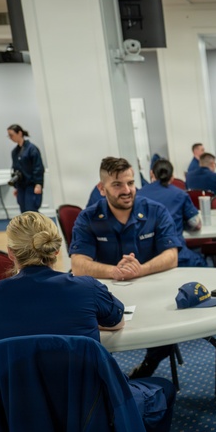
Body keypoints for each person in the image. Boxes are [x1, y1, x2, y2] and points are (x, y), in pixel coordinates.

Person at [0, 212, 190, 432]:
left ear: (10, 253)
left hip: (19, 412)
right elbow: (117, 319)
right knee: (161, 389)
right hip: (88, 409)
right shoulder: (85, 289)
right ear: (56, 249)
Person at [69, 157, 180, 380]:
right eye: (117, 185)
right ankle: (103, 375)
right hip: (108, 292)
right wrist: (113, 271)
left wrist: (141, 269)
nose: (127, 190)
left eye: (130, 183)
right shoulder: (88, 218)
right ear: (102, 189)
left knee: (169, 326)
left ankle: (150, 363)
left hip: (152, 289)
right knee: (80, 324)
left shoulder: (155, 211)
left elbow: (171, 256)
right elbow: (78, 265)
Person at [136, 158, 207, 267]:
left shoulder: (138, 195)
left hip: (144, 258)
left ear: (151, 173)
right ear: (172, 176)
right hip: (176, 255)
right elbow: (196, 224)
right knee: (200, 262)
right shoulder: (180, 194)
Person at [8, 124, 45, 213]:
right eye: (9, 136)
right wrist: (16, 187)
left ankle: (38, 227)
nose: (10, 137)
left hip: (31, 185)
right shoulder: (15, 152)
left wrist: (38, 184)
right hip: (21, 185)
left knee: (31, 210)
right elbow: (15, 170)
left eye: (12, 135)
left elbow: (38, 167)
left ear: (19, 133)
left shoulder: (32, 149)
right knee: (23, 211)